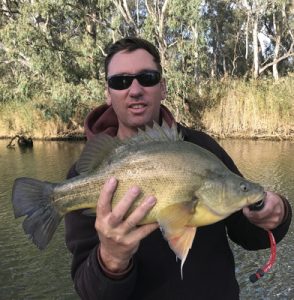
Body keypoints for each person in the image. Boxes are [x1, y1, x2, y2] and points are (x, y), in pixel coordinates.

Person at [65, 37, 292, 300]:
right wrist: (111, 260)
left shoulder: (201, 148)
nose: (135, 89)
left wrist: (277, 214)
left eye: (147, 78)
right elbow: (89, 291)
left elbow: (249, 233)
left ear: (162, 87)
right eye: (121, 81)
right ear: (108, 92)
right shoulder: (84, 177)